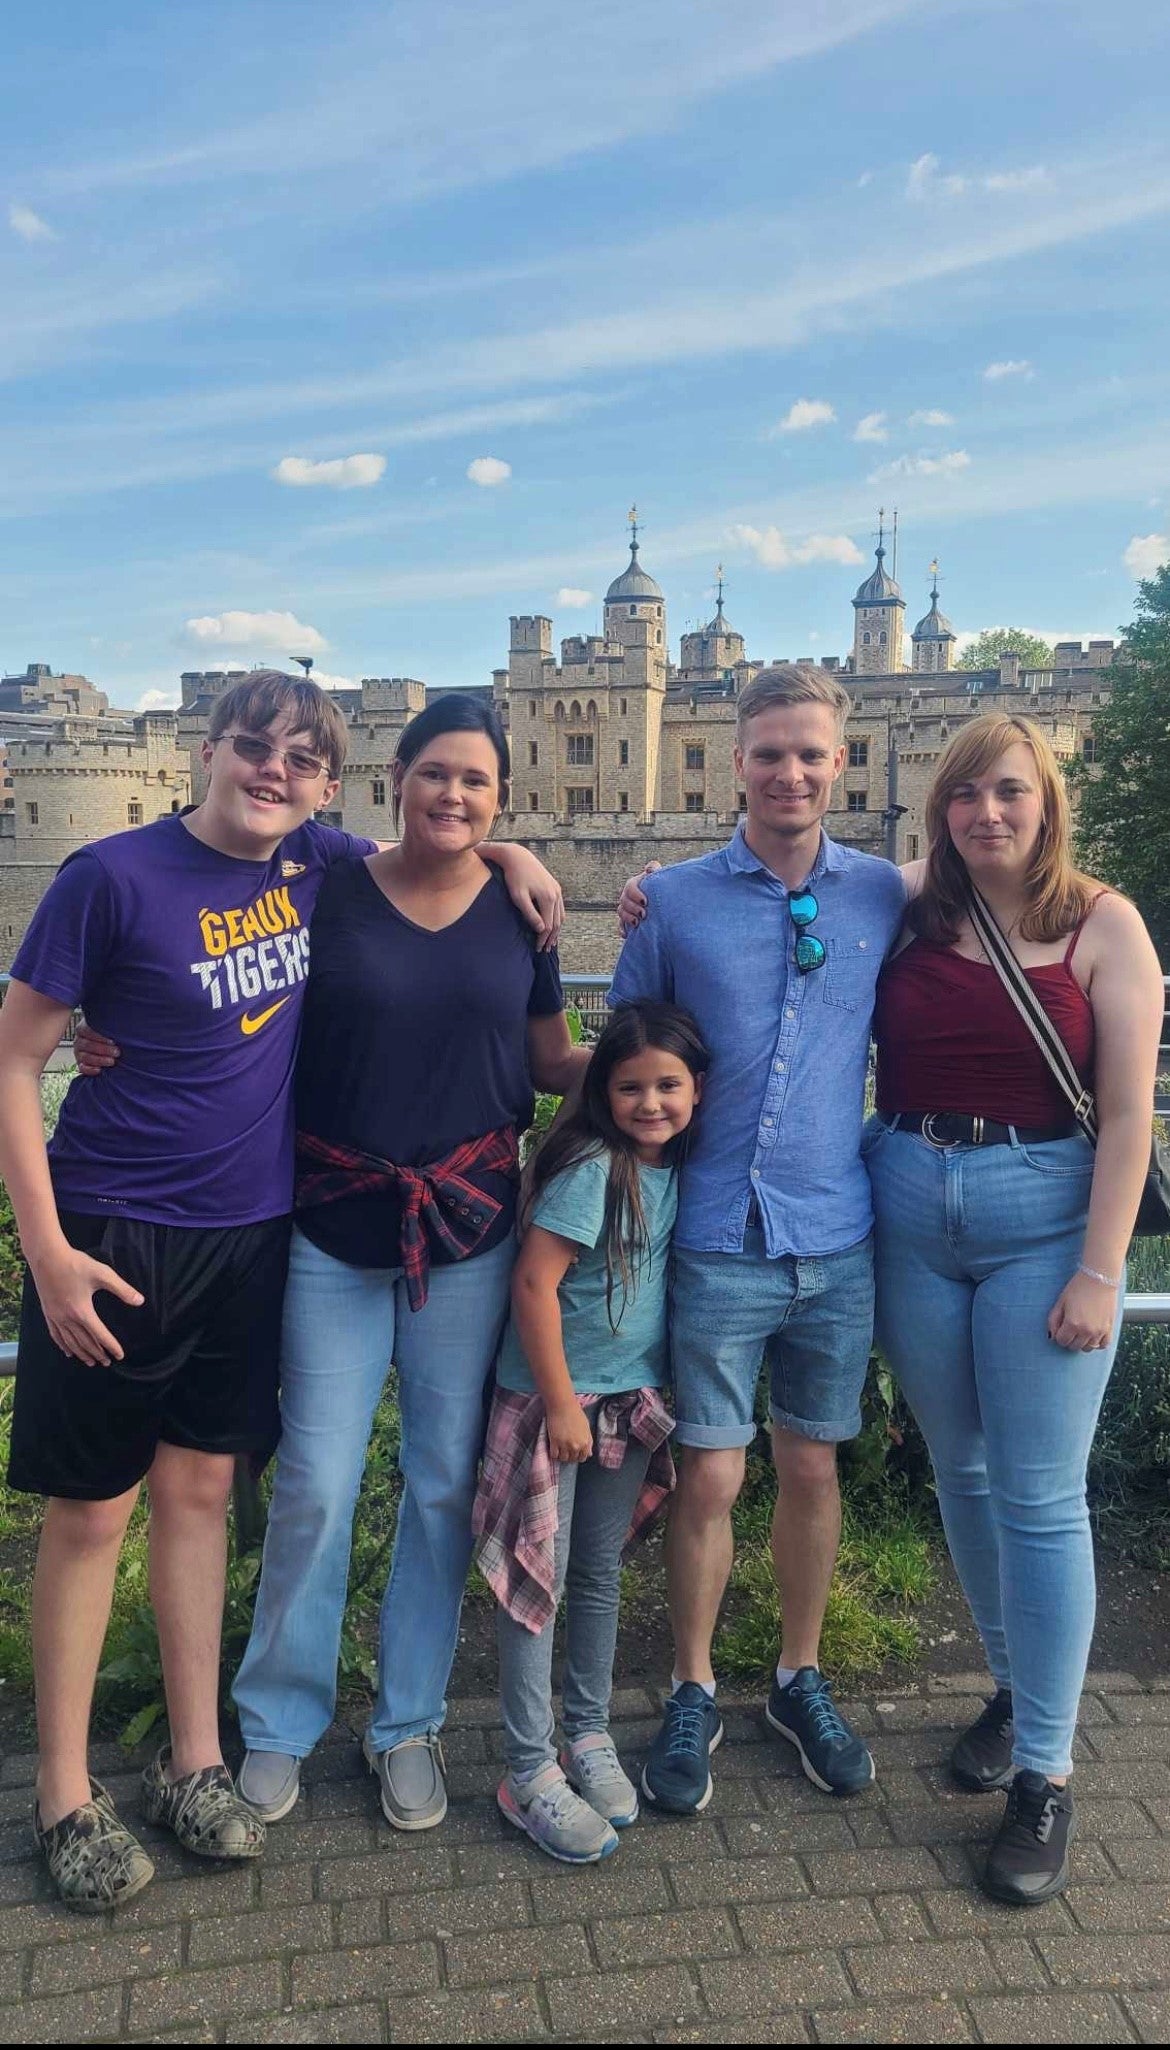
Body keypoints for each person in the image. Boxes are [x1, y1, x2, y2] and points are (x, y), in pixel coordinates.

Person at [6, 671, 563, 1911]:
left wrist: (519, 850)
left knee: (214, 1493)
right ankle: (78, 1785)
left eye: (300, 759)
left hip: (261, 1229)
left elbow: (444, 838)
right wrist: (42, 1246)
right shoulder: (122, 873)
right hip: (128, 1230)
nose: (274, 771)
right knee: (124, 1509)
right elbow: (17, 1050)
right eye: (252, 747)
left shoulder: (316, 866)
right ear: (203, 749)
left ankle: (251, 1749)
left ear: (326, 784)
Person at [230, 693, 588, 1835]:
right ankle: (280, 1719)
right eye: (436, 774)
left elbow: (546, 1065)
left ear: (503, 796)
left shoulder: (523, 915)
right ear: (396, 779)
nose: (454, 796)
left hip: (471, 1239)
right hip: (336, 1232)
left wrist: (666, 1081)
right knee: (317, 1485)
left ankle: (408, 1723)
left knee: (441, 1489)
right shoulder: (324, 888)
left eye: (477, 782)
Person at [867, 713, 1163, 1904]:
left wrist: (1102, 1271)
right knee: (962, 1472)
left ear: (1046, 803)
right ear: (940, 808)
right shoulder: (907, 903)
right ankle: (1011, 1683)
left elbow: (1133, 1114)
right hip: (908, 1201)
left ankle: (1045, 1769)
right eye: (966, 795)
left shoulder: (1104, 922)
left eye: (1010, 793)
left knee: (1040, 1496)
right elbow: (773, 872)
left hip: (1047, 1216)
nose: (987, 813)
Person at [610, 667, 905, 1813]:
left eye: (812, 755)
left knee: (811, 1463)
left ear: (843, 763)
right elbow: (624, 1050)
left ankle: (796, 1673)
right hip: (717, 1237)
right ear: (735, 760)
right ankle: (690, 1685)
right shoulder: (673, 900)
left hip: (835, 1233)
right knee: (709, 1473)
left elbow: (1001, 885)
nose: (791, 773)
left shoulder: (883, 891)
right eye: (770, 753)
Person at [474, 1000, 708, 1863]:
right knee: (540, 1580)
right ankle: (526, 1769)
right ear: (602, 1092)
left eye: (669, 1086)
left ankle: (587, 1733)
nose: (651, 1103)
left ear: (698, 1090)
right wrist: (563, 1403)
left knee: (598, 1569)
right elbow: (534, 1287)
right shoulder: (592, 1169)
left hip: (627, 1398)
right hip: (555, 1404)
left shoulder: (674, 1168)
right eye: (631, 1087)